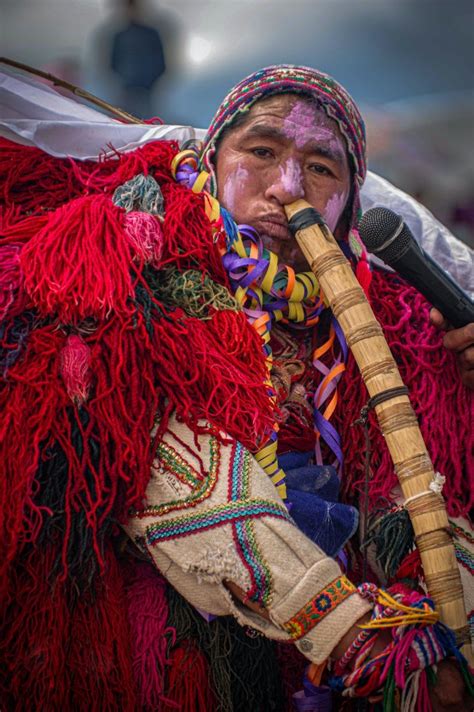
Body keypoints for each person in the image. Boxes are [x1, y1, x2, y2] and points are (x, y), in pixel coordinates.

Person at [0, 64, 472, 710]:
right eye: (261, 151)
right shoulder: (139, 247)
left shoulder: (386, 316)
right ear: (213, 156)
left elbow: (412, 484)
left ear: (349, 204)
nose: (287, 187)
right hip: (181, 656)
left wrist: (436, 616)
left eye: (322, 169)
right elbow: (161, 457)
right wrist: (354, 636)